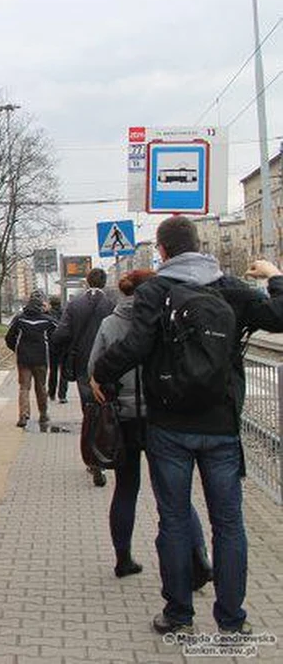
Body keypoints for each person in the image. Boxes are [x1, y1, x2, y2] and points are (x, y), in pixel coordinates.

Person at [91, 215, 283, 636]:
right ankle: (232, 622)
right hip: (221, 426)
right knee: (229, 524)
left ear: (161, 251)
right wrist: (274, 276)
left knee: (173, 520)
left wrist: (99, 374)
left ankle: (178, 614)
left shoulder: (156, 291)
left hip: (169, 427)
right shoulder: (230, 288)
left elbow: (133, 346)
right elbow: (280, 315)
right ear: (198, 245)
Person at [87, 268, 212, 583]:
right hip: (161, 417)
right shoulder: (164, 320)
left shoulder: (110, 324)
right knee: (173, 493)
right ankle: (199, 560)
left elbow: (94, 370)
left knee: (126, 489)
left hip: (122, 418)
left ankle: (123, 559)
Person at [53, 268, 115, 486]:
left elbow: (61, 334)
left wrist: (63, 353)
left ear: (87, 283)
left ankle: (92, 459)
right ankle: (106, 453)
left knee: (88, 411)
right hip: (107, 365)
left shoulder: (75, 304)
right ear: (105, 282)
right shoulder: (112, 304)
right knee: (106, 409)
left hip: (82, 365)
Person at [4, 289, 56, 431]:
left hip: (23, 359)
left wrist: (16, 349)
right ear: (41, 306)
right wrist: (51, 351)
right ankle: (43, 413)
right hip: (41, 359)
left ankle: (23, 415)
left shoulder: (20, 319)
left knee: (24, 387)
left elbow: (9, 338)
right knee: (41, 387)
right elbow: (57, 338)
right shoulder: (48, 320)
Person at [45, 295, 69, 405]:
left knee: (53, 370)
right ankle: (62, 395)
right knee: (64, 371)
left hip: (52, 345)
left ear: (50, 303)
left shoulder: (47, 314)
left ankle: (51, 393)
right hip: (64, 345)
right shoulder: (66, 313)